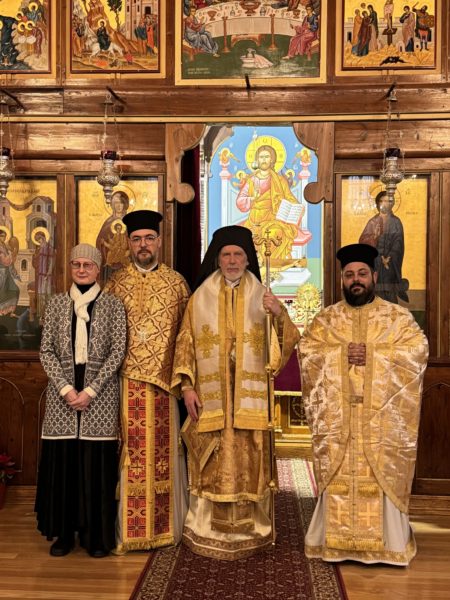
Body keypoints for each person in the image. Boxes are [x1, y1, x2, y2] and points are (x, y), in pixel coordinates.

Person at [172, 225, 300, 560]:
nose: (231, 261)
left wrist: (279, 314)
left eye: (238, 255)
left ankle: (253, 529)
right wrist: (187, 387)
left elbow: (286, 344)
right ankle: (205, 529)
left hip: (249, 401)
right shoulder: (200, 297)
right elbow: (185, 342)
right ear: (217, 259)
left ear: (247, 259)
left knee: (250, 463)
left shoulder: (263, 295)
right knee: (211, 461)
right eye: (226, 255)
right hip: (210, 398)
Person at [299, 243, 428, 565]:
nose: (355, 280)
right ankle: (334, 543)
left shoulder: (397, 318)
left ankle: (390, 545)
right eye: (349, 275)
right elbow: (308, 352)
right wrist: (340, 354)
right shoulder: (326, 319)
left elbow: (417, 352)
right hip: (339, 418)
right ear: (342, 279)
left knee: (380, 471)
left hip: (380, 419)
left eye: (361, 274)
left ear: (374, 277)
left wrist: (373, 354)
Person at [103, 210, 190, 553]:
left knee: (165, 457)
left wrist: (184, 381)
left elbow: (187, 336)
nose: (143, 245)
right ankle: (130, 532)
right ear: (128, 243)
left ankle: (166, 529)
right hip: (125, 383)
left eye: (149, 238)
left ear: (159, 241)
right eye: (137, 239)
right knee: (131, 457)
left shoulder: (176, 283)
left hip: (164, 386)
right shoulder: (115, 284)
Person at [35, 244, 127, 558]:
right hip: (62, 396)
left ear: (98, 269)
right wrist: (65, 389)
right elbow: (46, 351)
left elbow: (118, 351)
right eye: (77, 264)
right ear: (71, 268)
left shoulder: (113, 305)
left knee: (95, 466)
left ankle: (95, 536)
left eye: (88, 265)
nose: (82, 270)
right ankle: (64, 534)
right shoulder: (57, 304)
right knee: (64, 465)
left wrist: (90, 391)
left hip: (99, 397)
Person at [236, 145, 305, 262]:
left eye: (267, 156)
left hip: (274, 220)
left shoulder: (280, 180)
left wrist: (298, 208)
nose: (264, 160)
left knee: (273, 235)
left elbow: (290, 198)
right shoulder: (251, 181)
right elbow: (240, 201)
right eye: (261, 157)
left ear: (272, 159)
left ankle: (270, 266)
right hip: (254, 221)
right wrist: (253, 199)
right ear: (257, 160)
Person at [359, 190, 409, 303]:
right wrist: (374, 237)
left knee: (389, 292)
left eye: (387, 201)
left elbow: (398, 243)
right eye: (381, 201)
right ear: (377, 203)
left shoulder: (396, 222)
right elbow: (362, 241)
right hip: (375, 261)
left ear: (392, 203)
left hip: (389, 264)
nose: (384, 204)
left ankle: (392, 312)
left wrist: (389, 257)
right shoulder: (373, 222)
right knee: (375, 290)